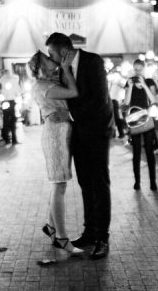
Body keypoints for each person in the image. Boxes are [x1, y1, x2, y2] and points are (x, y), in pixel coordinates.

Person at [46, 32, 114, 260]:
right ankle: (89, 232)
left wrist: (70, 114)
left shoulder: (93, 61)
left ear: (63, 51)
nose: (51, 58)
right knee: (85, 183)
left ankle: (102, 237)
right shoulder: (61, 71)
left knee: (99, 182)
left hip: (96, 131)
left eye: (52, 54)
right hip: (77, 134)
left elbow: (100, 98)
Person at [28, 51, 83, 255]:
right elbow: (73, 93)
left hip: (60, 130)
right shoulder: (44, 86)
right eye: (50, 62)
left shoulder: (46, 83)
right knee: (58, 185)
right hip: (55, 133)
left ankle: (51, 227)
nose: (55, 64)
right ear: (41, 66)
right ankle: (61, 237)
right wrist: (67, 69)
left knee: (60, 184)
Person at [124, 59, 158, 191]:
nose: (137, 71)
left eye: (140, 69)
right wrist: (131, 86)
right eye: (136, 69)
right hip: (134, 119)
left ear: (144, 69)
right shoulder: (129, 82)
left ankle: (153, 182)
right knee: (136, 151)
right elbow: (127, 101)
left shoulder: (149, 81)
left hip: (147, 117)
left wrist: (144, 85)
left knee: (149, 150)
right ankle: (137, 181)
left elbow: (154, 99)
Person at [0, 69, 22, 144]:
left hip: (4, 102)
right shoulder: (13, 80)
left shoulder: (1, 80)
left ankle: (6, 138)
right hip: (11, 102)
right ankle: (14, 139)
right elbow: (19, 91)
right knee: (12, 121)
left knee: (5, 120)